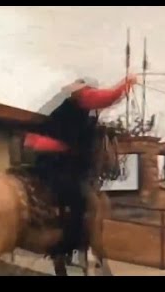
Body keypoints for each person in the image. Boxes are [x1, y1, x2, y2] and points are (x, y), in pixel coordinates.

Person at [23, 74, 138, 257]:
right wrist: (128, 82)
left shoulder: (60, 102)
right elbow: (109, 97)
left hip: (40, 152)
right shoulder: (83, 96)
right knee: (80, 200)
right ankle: (67, 245)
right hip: (56, 154)